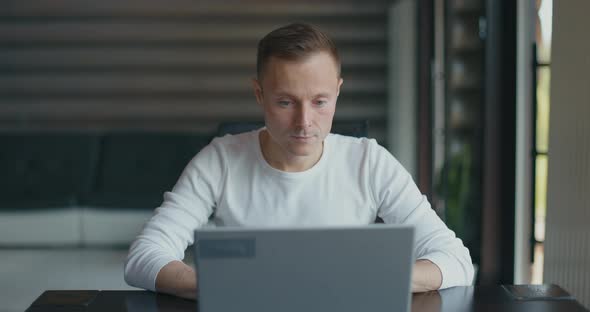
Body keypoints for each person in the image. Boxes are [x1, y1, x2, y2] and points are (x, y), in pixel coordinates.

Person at [124, 23, 474, 300]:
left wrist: (373, 276)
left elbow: (455, 260)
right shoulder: (219, 160)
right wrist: (224, 286)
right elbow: (144, 258)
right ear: (260, 94)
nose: (305, 122)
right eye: (286, 103)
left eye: (320, 102)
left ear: (338, 91)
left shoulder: (370, 162)